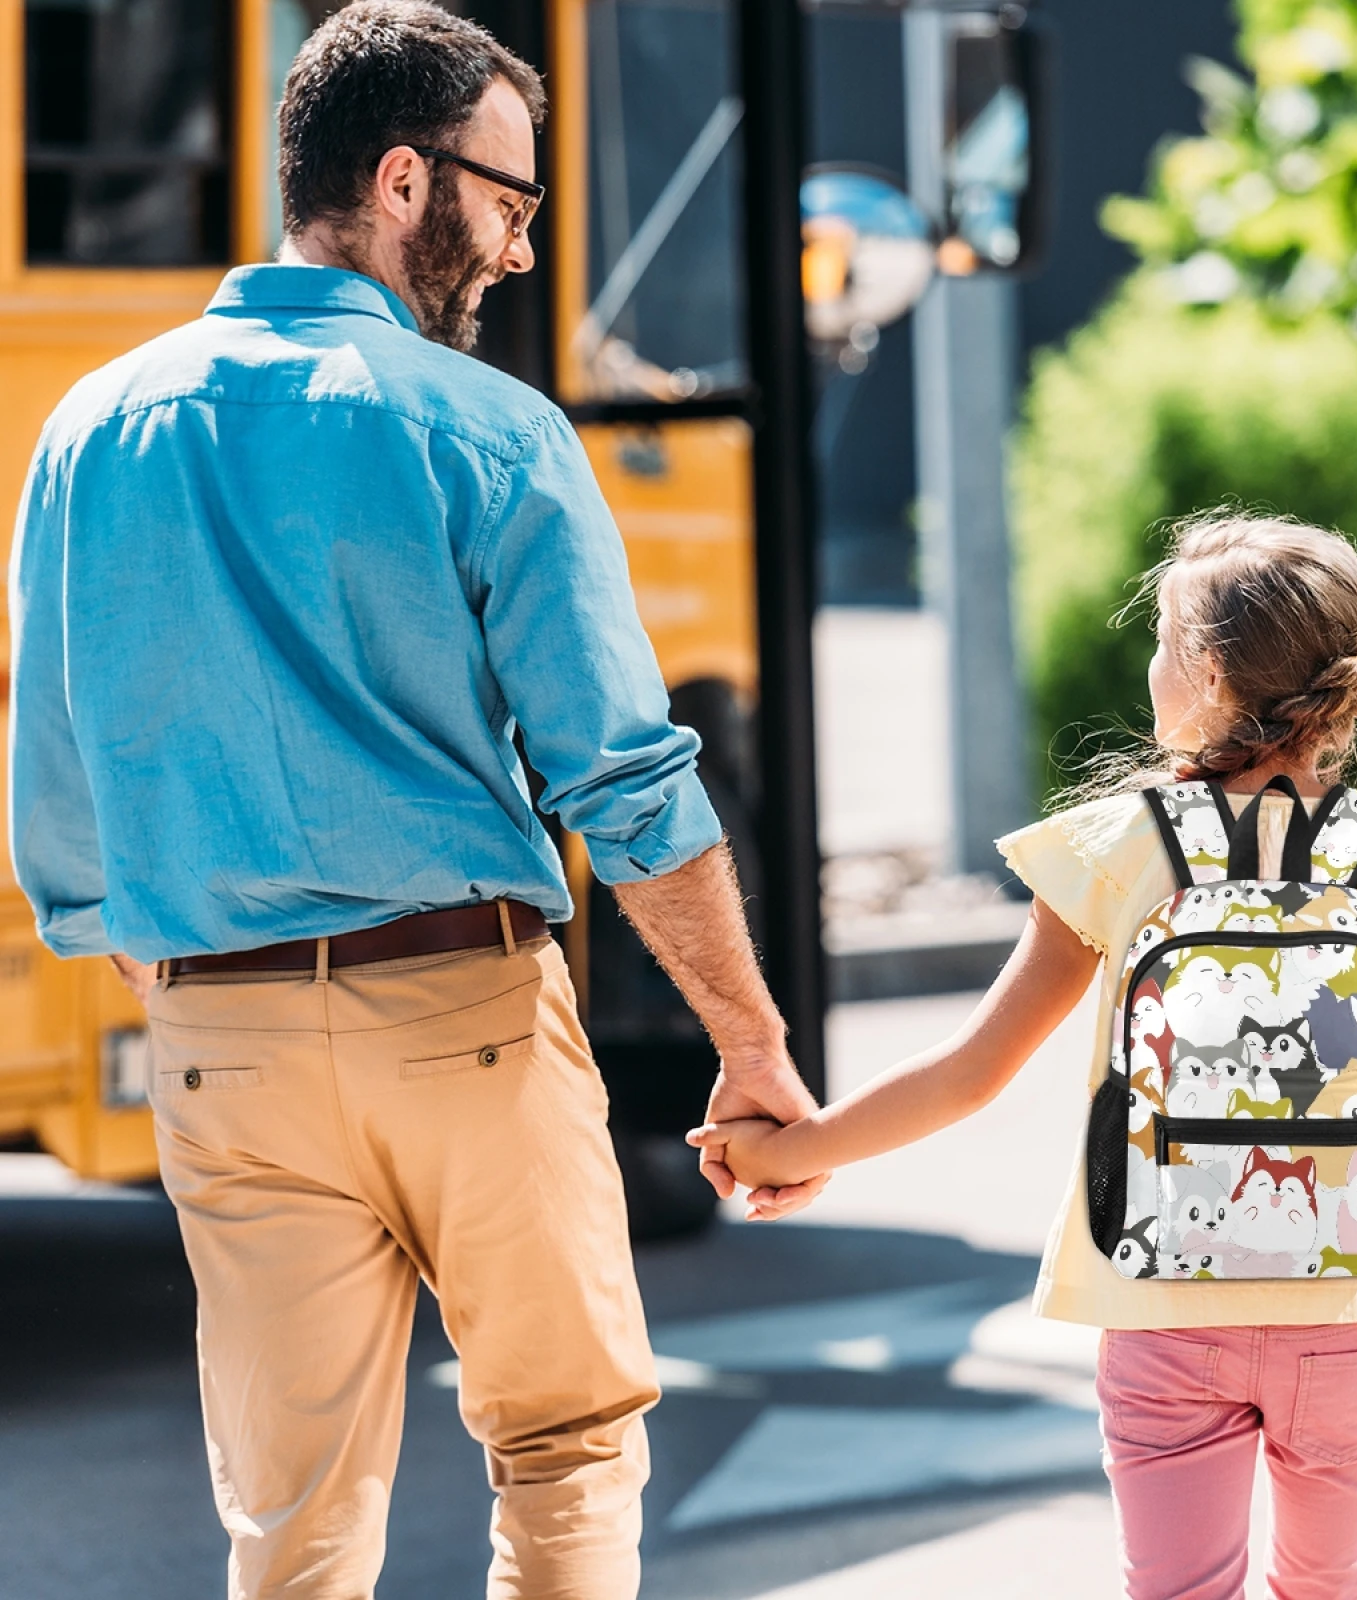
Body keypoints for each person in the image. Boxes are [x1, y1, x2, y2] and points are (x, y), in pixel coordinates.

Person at [7, 4, 821, 1596]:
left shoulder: (88, 429)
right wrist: (748, 1044)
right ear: (401, 179)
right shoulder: (490, 430)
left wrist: (180, 975)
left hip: (219, 1044)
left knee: (292, 1520)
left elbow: (57, 764)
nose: (517, 251)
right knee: (566, 1447)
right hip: (462, 1014)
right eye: (509, 203)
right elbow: (625, 780)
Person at [693, 513, 1357, 1598]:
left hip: (1163, 1301)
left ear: (1209, 672)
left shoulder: (1121, 847)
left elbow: (972, 1068)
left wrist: (790, 1149)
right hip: (1351, 1315)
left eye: (1164, 640)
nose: (1153, 662)